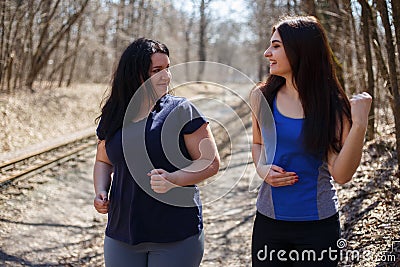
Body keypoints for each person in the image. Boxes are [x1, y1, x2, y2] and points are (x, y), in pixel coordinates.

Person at [250, 16, 372, 266]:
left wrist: (359, 125)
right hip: (269, 223)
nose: (267, 53)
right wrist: (262, 169)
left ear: (299, 50)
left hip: (318, 227)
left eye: (276, 46)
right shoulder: (262, 96)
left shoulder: (333, 107)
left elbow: (341, 174)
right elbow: (258, 144)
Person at [93, 37, 220, 267]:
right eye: (156, 70)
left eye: (168, 68)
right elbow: (103, 160)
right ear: (135, 74)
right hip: (121, 233)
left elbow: (210, 162)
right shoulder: (114, 114)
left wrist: (174, 179)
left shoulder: (181, 110)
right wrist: (101, 191)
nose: (166, 76)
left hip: (175, 234)